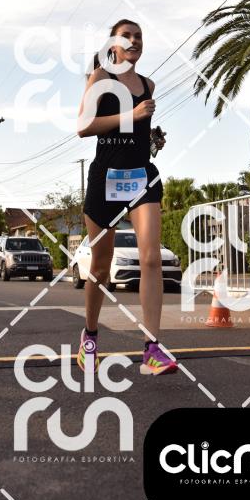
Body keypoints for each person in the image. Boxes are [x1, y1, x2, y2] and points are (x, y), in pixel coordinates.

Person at [76, 19, 174, 376]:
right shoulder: (101, 77)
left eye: (138, 36)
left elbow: (135, 132)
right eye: (126, 36)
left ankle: (152, 348)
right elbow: (83, 127)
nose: (134, 41)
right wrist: (131, 115)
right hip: (106, 178)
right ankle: (89, 336)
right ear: (112, 45)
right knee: (100, 268)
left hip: (140, 177)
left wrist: (150, 138)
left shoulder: (148, 84)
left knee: (151, 258)